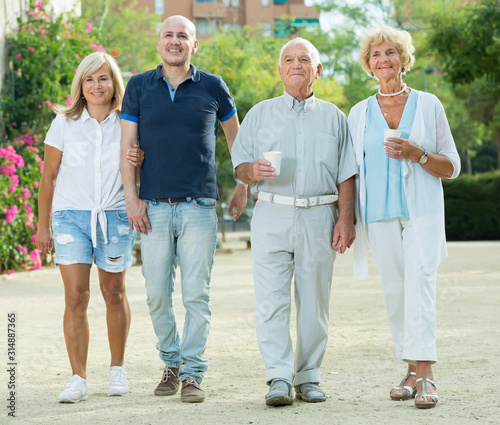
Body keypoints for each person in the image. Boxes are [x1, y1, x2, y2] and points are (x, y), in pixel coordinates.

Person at [119, 15, 246, 403]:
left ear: (195, 45)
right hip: (153, 206)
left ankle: (192, 372)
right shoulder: (139, 86)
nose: (175, 41)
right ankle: (170, 362)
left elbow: (236, 141)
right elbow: (127, 149)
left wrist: (242, 185)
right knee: (156, 293)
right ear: (159, 42)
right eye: (169, 35)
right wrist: (131, 198)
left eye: (183, 36)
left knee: (196, 295)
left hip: (200, 205)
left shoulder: (213, 86)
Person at [232, 38, 357, 407]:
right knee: (271, 300)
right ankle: (279, 377)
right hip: (271, 213)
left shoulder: (335, 116)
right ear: (280, 69)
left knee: (314, 300)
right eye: (289, 59)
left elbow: (346, 174)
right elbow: (240, 165)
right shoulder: (258, 114)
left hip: (320, 214)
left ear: (318, 70)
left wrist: (345, 219)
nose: (296, 64)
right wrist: (251, 172)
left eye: (305, 59)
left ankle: (309, 375)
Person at [348, 25, 461, 409]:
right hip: (378, 215)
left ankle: (427, 373)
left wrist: (418, 155)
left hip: (420, 215)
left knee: (421, 285)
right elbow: (350, 169)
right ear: (368, 64)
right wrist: (345, 219)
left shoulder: (429, 105)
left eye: (390, 53)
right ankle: (410, 370)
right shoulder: (359, 113)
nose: (384, 60)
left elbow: (453, 166)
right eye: (376, 55)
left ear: (403, 59)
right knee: (395, 292)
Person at [36, 52, 144, 403]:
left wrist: (140, 162)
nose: (97, 85)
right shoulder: (64, 122)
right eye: (90, 79)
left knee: (114, 293)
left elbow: (137, 175)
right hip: (71, 217)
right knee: (75, 296)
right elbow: (48, 177)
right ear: (81, 85)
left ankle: (117, 369)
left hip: (114, 216)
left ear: (114, 83)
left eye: (103, 78)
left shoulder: (129, 122)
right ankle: (77, 378)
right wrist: (43, 226)